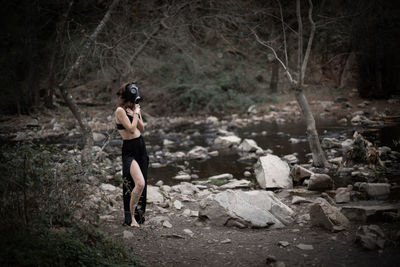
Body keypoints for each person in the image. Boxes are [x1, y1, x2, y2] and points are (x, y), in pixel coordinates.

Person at [115, 82, 148, 227]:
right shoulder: (120, 111)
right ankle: (130, 218)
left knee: (142, 183)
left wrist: (137, 112)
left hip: (140, 146)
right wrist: (135, 114)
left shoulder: (134, 108)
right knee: (138, 183)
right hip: (129, 149)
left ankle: (138, 216)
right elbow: (130, 129)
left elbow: (141, 127)